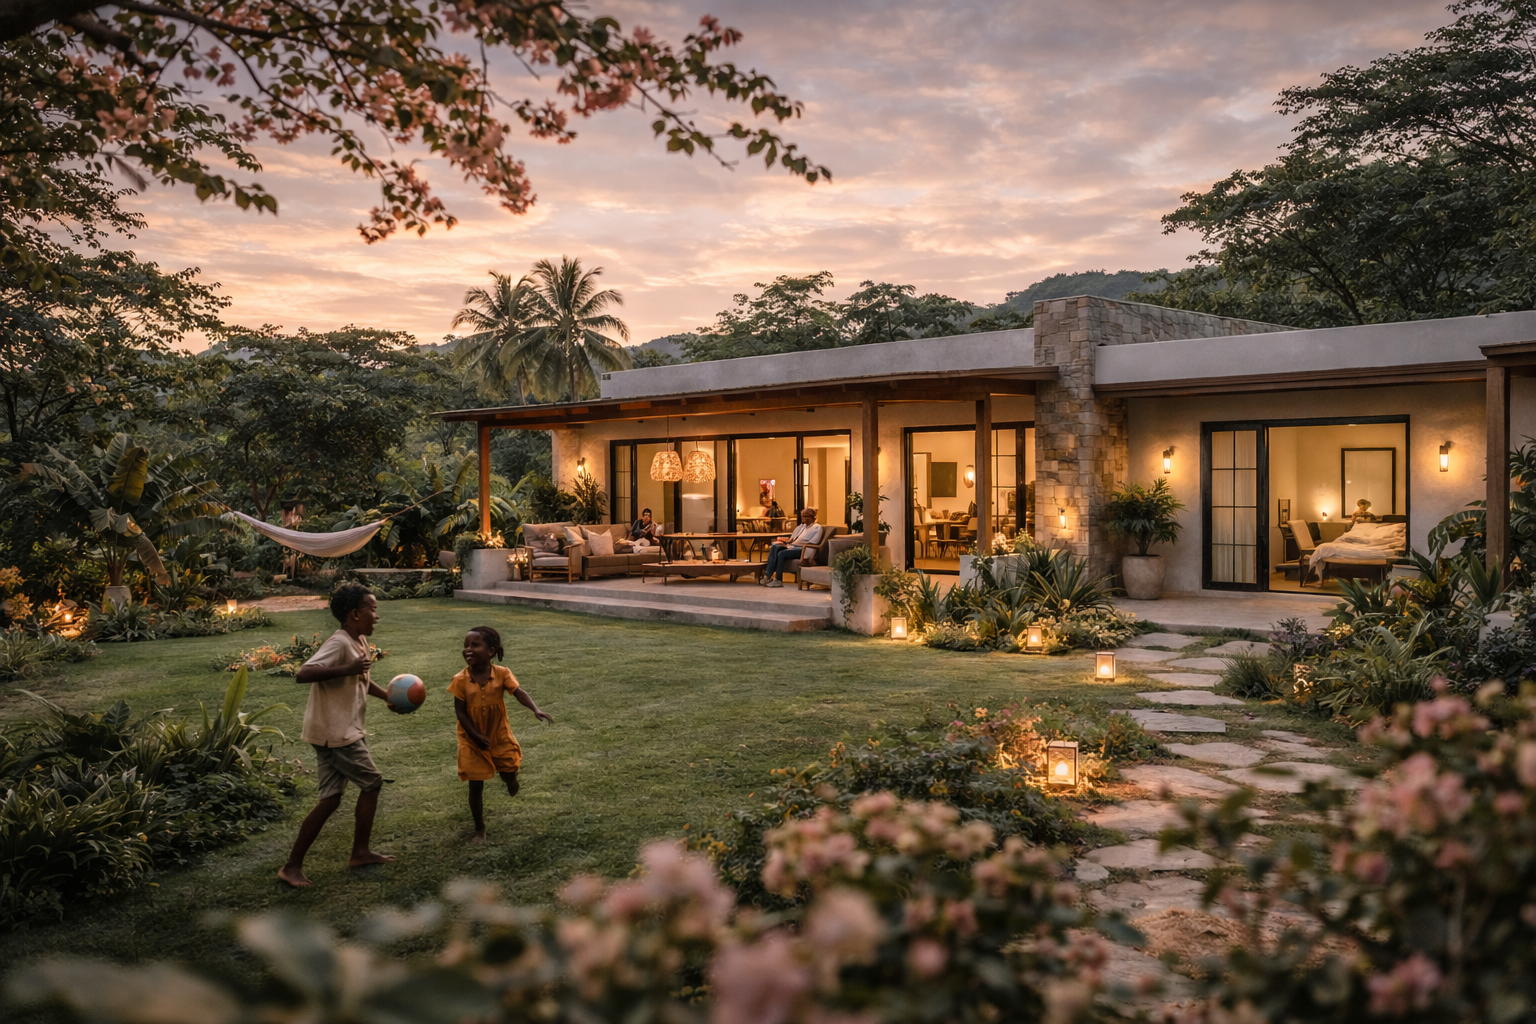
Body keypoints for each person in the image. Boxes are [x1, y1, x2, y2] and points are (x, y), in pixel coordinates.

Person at [278, 582, 402, 888]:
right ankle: (359, 852)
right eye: (372, 609)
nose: (376, 615)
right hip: (338, 734)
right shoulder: (340, 643)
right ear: (354, 614)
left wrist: (387, 695)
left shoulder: (357, 641)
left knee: (330, 800)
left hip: (334, 732)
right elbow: (304, 673)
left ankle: (292, 866)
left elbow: (360, 678)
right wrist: (347, 668)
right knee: (371, 783)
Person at [449, 625, 553, 840]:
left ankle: (511, 781)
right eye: (465, 645)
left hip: (498, 734)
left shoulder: (502, 673)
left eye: (474, 645)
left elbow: (518, 692)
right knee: (475, 784)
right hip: (471, 738)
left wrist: (535, 709)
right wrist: (476, 737)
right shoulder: (460, 680)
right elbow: (460, 712)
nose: (468, 649)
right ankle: (480, 828)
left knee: (508, 768)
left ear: (491, 651)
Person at [761, 507, 823, 588]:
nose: (804, 519)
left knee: (781, 554)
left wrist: (792, 545)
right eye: (803, 516)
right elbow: (792, 539)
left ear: (812, 518)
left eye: (806, 517)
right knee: (775, 547)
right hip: (792, 546)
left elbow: (814, 542)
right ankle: (768, 576)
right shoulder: (801, 527)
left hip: (802, 549)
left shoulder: (817, 527)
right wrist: (784, 541)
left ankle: (778, 580)